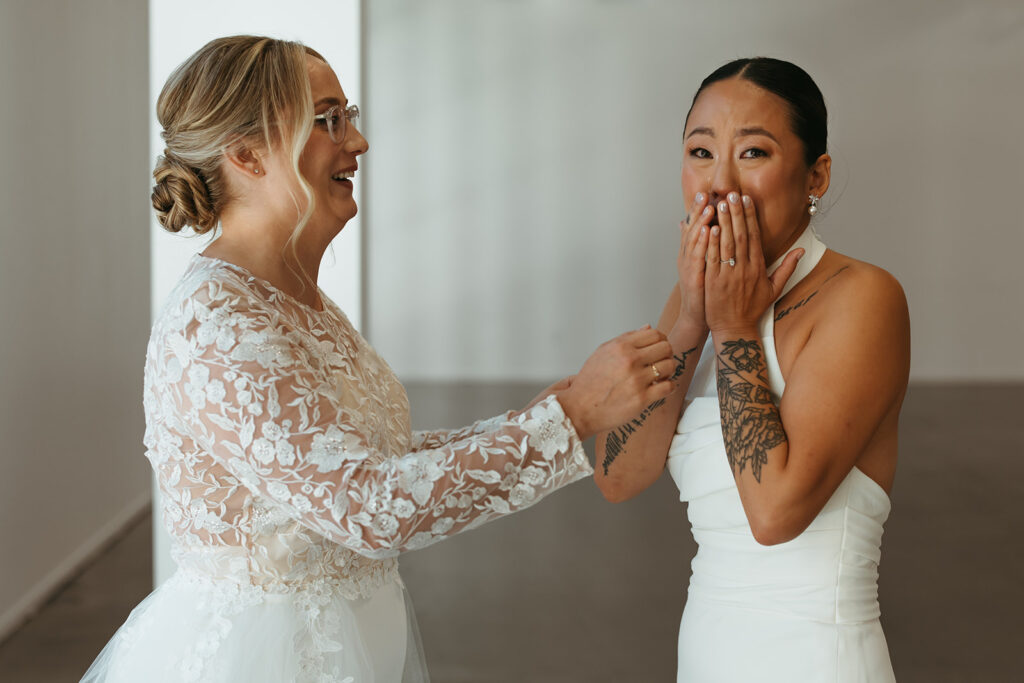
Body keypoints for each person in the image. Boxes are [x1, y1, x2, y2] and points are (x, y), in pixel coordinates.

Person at [81, 35, 677, 682]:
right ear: (247, 153)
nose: (357, 142)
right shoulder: (218, 327)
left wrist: (524, 424)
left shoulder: (295, 299)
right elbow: (365, 505)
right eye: (328, 119)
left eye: (351, 115)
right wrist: (572, 413)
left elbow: (364, 457)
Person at [594, 57, 910, 682]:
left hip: (817, 657)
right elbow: (616, 475)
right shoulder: (693, 298)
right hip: (710, 648)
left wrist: (736, 330)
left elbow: (773, 514)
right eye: (701, 152)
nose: (718, 186)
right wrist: (689, 321)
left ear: (816, 175)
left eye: (755, 153)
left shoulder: (863, 297)